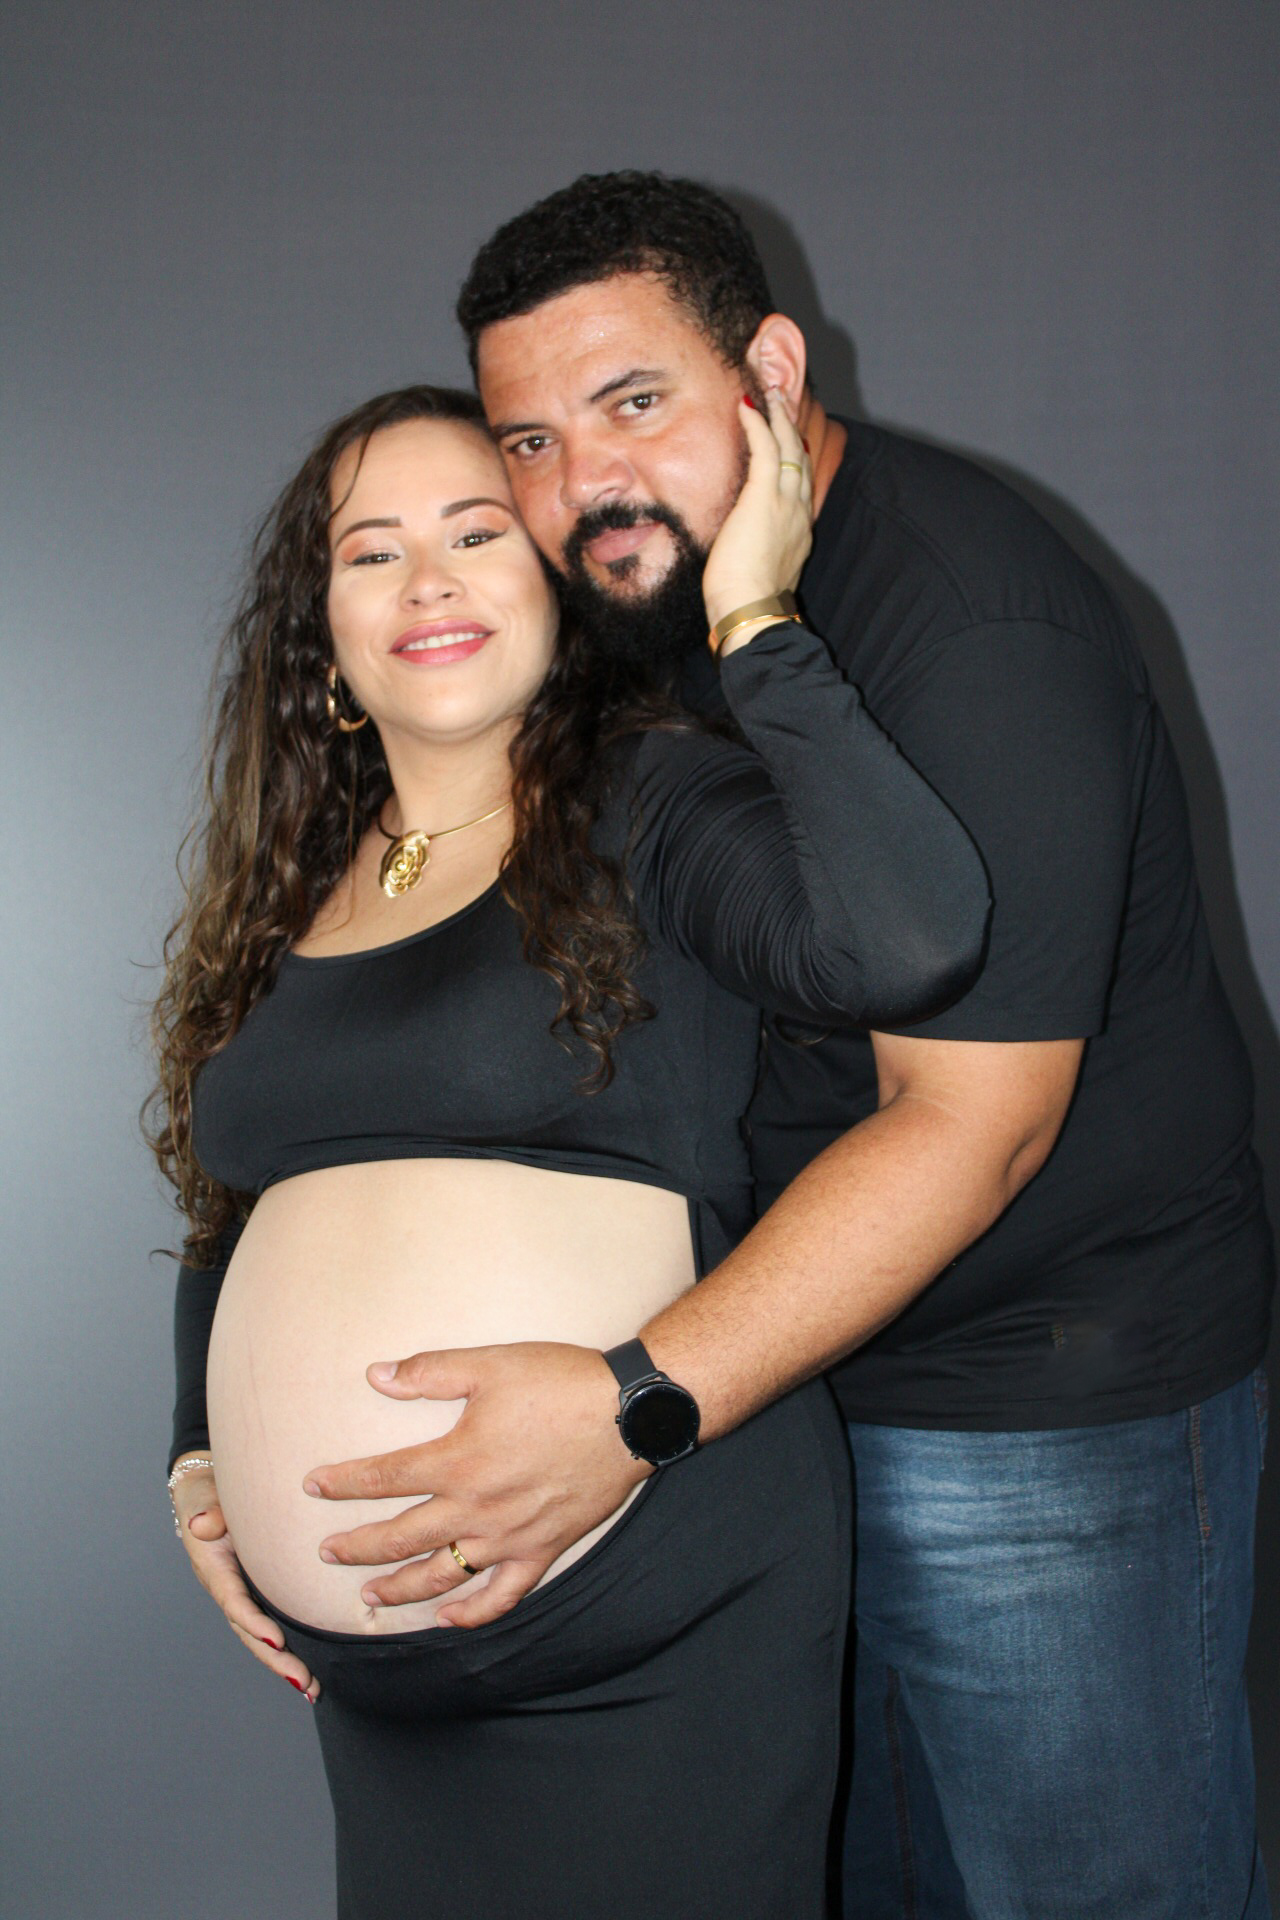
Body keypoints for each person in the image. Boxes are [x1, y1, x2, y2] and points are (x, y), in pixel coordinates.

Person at [304, 176, 1276, 1920]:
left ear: (768, 367)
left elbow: (973, 1127)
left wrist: (634, 1404)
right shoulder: (624, 611)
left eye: (633, 403)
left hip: (1036, 1403)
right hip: (781, 1396)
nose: (583, 484)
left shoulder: (969, 627)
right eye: (530, 441)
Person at [156, 381, 988, 1918]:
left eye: (478, 532)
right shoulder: (293, 878)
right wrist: (197, 1445)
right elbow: (239, 1207)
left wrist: (757, 622)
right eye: (372, 552)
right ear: (321, 630)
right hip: (385, 1704)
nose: (429, 581)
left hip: (647, 1617)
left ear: (556, 579)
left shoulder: (657, 802)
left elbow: (916, 941)